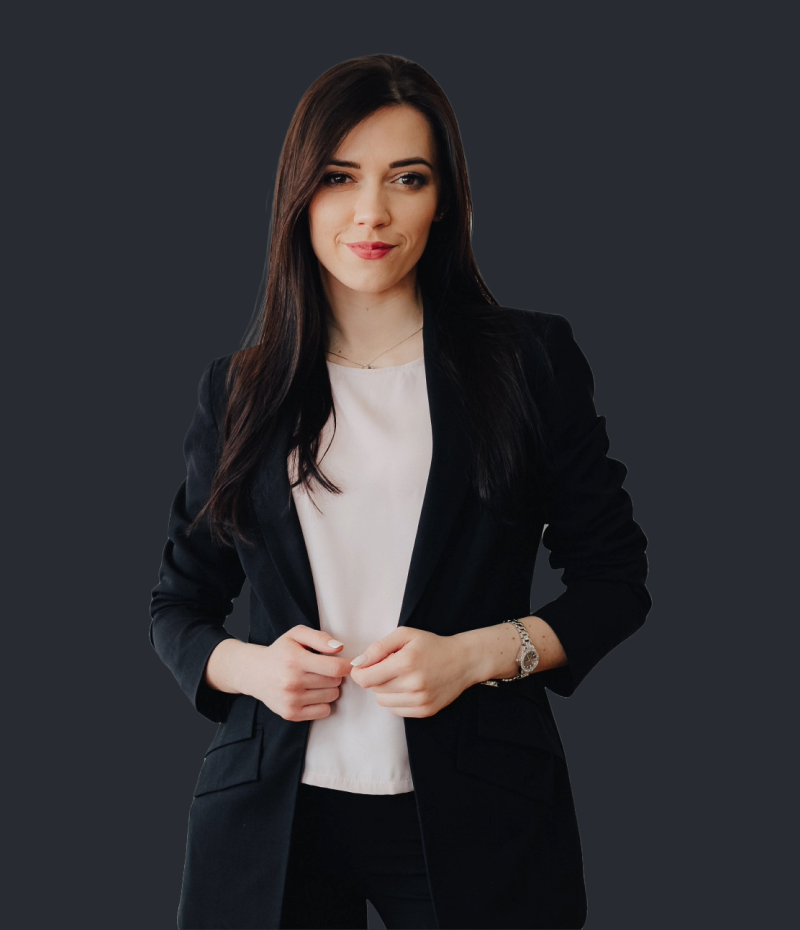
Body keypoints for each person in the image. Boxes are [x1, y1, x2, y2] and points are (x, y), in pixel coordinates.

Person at [149, 53, 651, 930]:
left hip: (481, 812)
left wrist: (476, 656)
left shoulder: (529, 363)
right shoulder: (238, 389)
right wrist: (258, 670)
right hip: (270, 818)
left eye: (406, 178)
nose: (371, 212)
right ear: (299, 197)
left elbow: (615, 583)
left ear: (444, 199)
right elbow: (178, 607)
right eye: (339, 177)